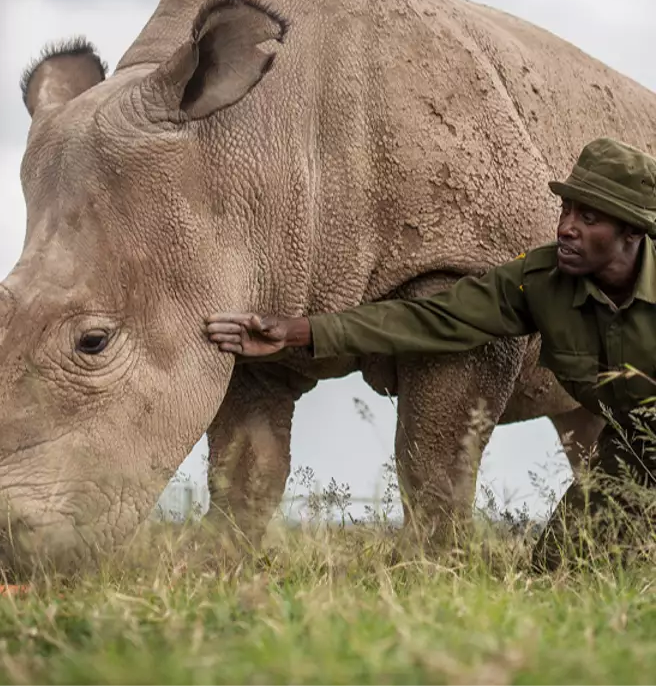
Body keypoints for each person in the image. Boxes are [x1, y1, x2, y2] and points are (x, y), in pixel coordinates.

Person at [204, 136, 656, 571]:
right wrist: (298, 332)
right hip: (632, 448)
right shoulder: (542, 282)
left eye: (589, 218)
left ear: (632, 230)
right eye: (565, 209)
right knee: (562, 569)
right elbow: (431, 319)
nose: (565, 228)